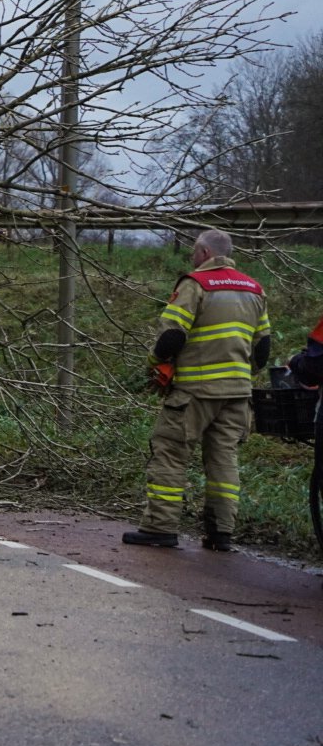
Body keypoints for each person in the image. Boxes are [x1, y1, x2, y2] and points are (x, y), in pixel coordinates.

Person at [125, 229, 270, 550]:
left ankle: (160, 528)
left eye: (194, 251)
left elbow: (172, 337)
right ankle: (221, 533)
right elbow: (263, 348)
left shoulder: (196, 284)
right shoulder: (254, 289)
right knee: (223, 462)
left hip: (194, 393)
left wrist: (154, 362)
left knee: (170, 453)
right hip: (237, 394)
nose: (192, 256)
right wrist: (240, 374)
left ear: (204, 253)